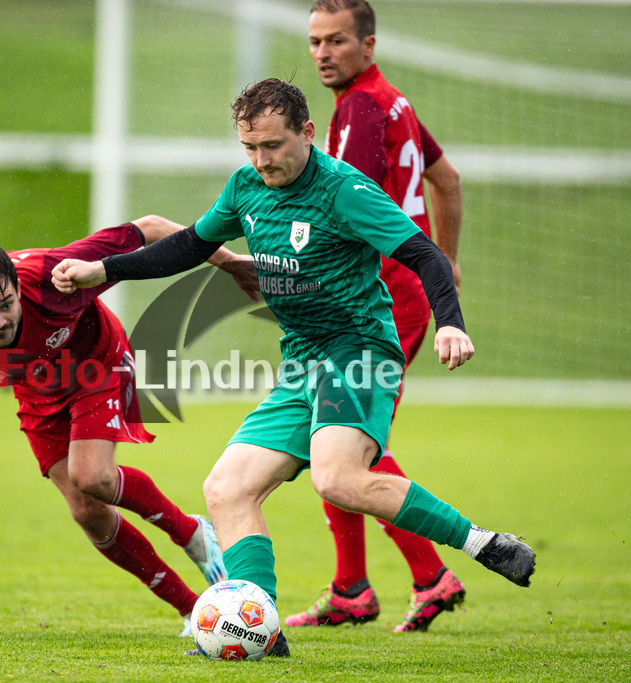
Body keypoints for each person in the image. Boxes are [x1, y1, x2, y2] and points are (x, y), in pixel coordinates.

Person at [51, 78, 536, 658]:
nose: (261, 161)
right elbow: (188, 246)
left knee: (337, 479)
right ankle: (260, 631)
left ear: (307, 133)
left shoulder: (344, 191)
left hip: (359, 352)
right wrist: (105, 270)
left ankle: (484, 544)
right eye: (250, 148)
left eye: (273, 146)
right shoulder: (245, 187)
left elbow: (423, 254)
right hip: (301, 362)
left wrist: (450, 323)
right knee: (226, 488)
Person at [0, 220, 259, 636]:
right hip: (37, 389)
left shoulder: (52, 276)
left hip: (96, 361)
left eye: (6, 305)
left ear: (19, 288)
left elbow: (150, 228)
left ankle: (190, 534)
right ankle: (192, 610)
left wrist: (229, 263)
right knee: (87, 511)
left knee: (91, 476)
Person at [283, 0, 469, 633]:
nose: (322, 53)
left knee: (347, 441)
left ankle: (428, 575)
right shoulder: (391, 101)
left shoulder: (362, 108)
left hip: (376, 302)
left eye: (336, 40)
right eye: (315, 40)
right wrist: (445, 260)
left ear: (368, 44)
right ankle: (351, 588)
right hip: (393, 293)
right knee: (333, 429)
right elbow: (447, 179)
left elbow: (345, 209)